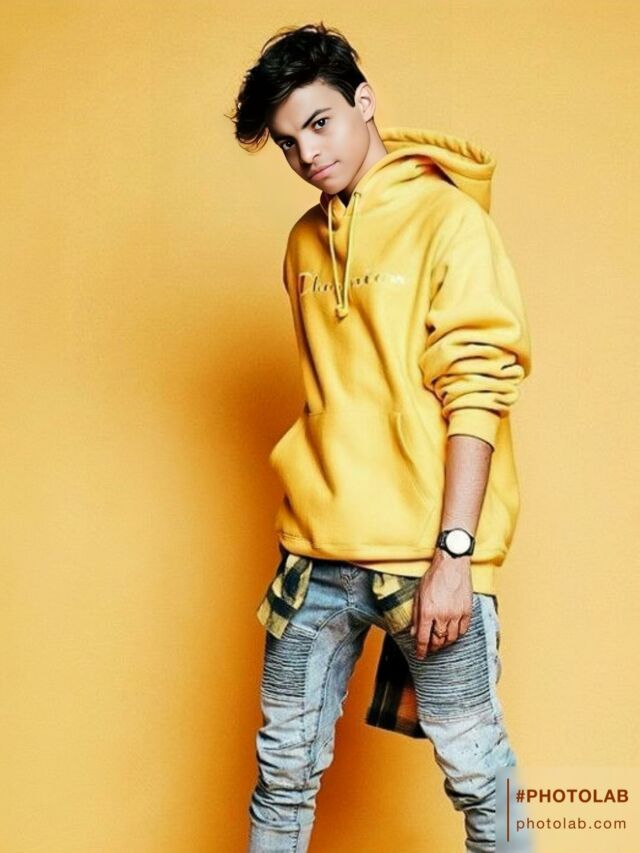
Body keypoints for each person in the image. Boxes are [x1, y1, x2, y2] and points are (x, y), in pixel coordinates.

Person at [229, 21, 534, 853]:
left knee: (481, 775)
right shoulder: (303, 240)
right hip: (314, 557)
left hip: (425, 558)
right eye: (288, 142)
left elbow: (478, 391)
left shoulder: (450, 222)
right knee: (281, 773)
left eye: (320, 123)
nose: (308, 154)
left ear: (365, 102)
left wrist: (455, 556)